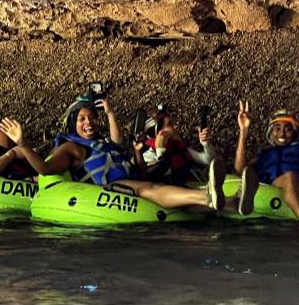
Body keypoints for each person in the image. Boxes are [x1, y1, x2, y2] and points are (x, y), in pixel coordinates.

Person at [45, 92, 259, 214]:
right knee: (155, 188)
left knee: (170, 195)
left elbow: (207, 160)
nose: (89, 122)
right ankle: (209, 196)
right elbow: (46, 169)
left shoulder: (105, 144)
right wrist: (22, 145)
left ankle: (233, 203)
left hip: (134, 180)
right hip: (110, 189)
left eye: (91, 118)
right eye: (82, 119)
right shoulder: (71, 147)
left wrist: (205, 143)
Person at [138, 103, 216, 185]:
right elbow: (153, 177)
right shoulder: (148, 156)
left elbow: (208, 160)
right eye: (170, 124)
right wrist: (160, 149)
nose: (175, 127)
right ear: (160, 132)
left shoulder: (177, 147)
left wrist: (206, 144)